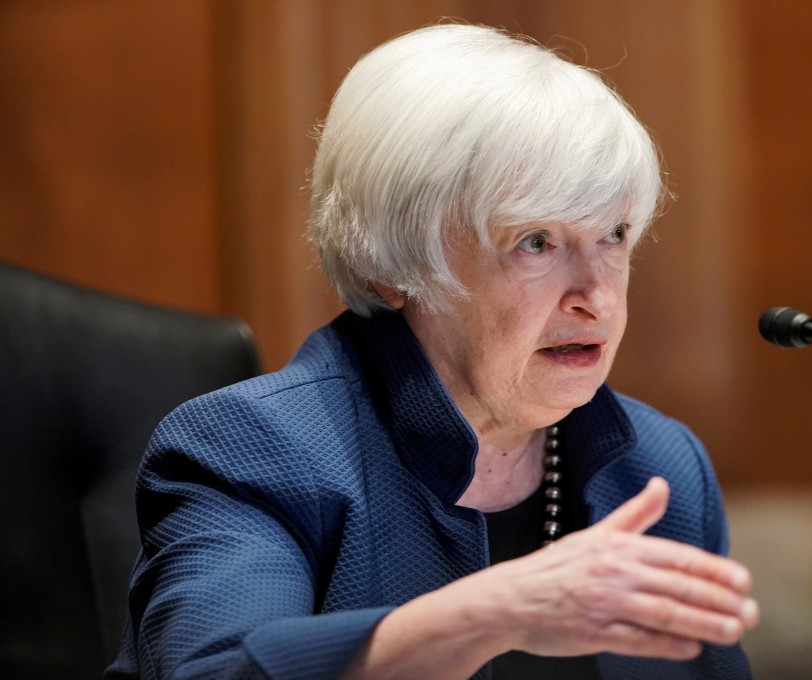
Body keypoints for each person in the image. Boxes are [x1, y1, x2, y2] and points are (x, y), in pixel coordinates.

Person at [106, 22, 759, 680]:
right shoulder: (254, 449)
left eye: (613, 234)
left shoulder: (659, 469)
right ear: (394, 263)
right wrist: (493, 613)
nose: (599, 298)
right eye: (536, 241)